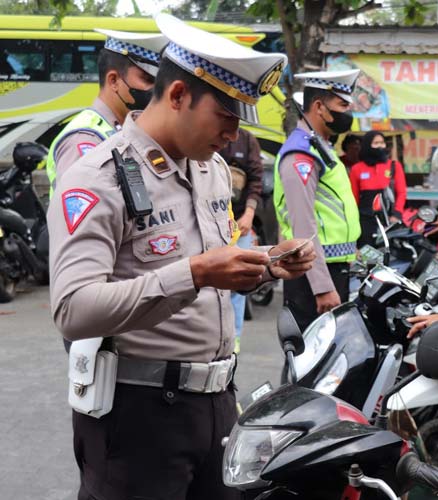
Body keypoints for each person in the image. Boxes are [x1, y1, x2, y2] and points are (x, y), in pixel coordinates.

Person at [48, 14, 315, 499]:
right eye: (226, 118)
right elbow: (72, 310)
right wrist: (191, 274)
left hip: (215, 401)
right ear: (176, 97)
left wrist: (269, 261)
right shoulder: (97, 177)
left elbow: (213, 261)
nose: (234, 136)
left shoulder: (209, 168)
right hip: (138, 413)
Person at [273, 69, 362, 332]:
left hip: (332, 270)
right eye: (342, 105)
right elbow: (304, 227)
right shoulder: (301, 154)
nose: (349, 113)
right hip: (311, 277)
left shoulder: (321, 147)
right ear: (319, 107)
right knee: (311, 362)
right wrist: (322, 287)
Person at [46, 29, 167, 197]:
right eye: (147, 80)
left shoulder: (131, 130)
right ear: (114, 81)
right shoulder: (84, 139)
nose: (154, 90)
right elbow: (84, 217)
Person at [219, 127, 264, 353]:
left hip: (239, 223)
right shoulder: (206, 134)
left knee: (239, 281)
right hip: (213, 222)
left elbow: (257, 180)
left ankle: (234, 338)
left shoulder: (247, 140)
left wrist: (249, 214)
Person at [349, 130, 407, 246]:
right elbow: (353, 199)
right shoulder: (357, 169)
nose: (380, 146)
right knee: (367, 254)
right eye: (375, 143)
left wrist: (396, 214)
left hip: (389, 219)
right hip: (365, 220)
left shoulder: (394, 166)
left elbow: (401, 193)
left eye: (382, 143)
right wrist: (353, 220)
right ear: (367, 145)